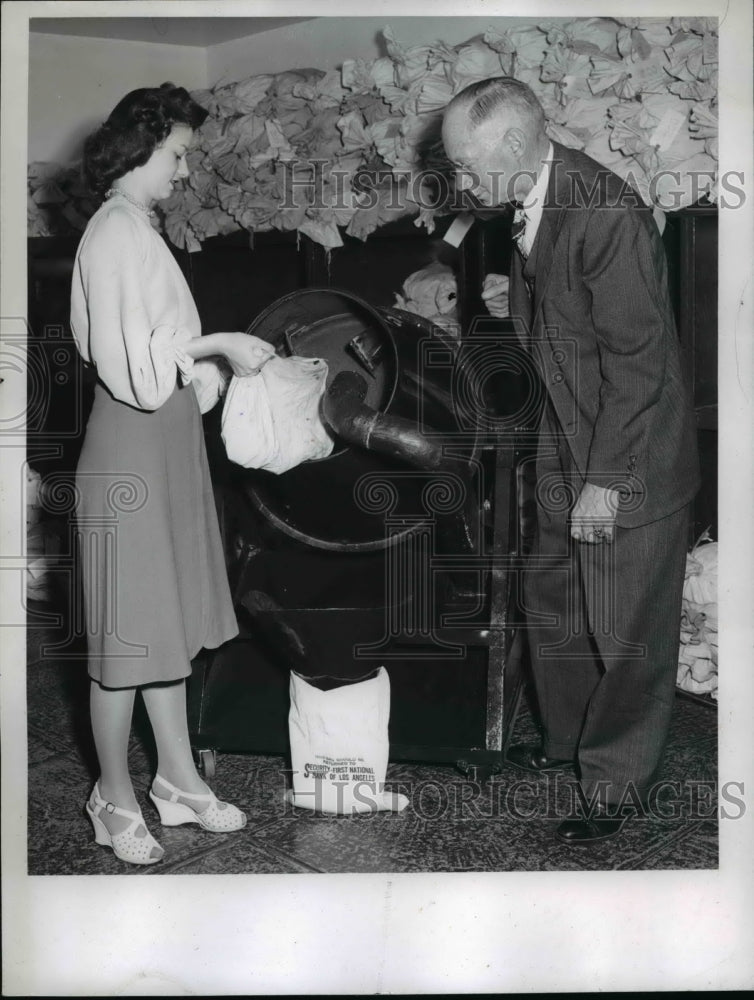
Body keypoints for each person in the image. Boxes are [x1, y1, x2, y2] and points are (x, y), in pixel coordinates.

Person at [442, 77, 700, 845]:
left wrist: (603, 482)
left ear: (515, 146)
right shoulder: (531, 197)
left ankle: (614, 782)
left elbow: (640, 362)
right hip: (565, 437)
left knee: (625, 628)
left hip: (627, 454)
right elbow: (569, 312)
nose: (457, 180)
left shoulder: (605, 211)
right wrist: (512, 302)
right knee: (552, 597)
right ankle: (567, 744)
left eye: (464, 164)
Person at [70, 83, 275, 865]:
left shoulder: (137, 229)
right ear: (140, 148)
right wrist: (221, 342)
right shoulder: (116, 232)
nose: (184, 170)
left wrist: (215, 365)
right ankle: (111, 795)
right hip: (131, 445)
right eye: (179, 154)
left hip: (164, 445)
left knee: (167, 631)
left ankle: (178, 780)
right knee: (126, 644)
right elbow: (138, 373)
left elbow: (165, 362)